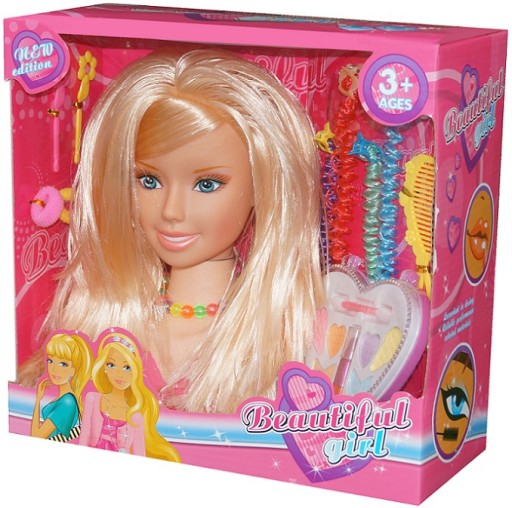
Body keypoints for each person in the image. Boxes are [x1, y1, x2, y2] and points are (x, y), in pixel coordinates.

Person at [20, 48, 326, 413]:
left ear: (263, 186)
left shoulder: (292, 338)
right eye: (149, 180)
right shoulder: (100, 324)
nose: (171, 211)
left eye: (207, 185)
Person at [79, 329, 181, 462]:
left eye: (127, 368)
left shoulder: (136, 415)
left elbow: (139, 453)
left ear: (135, 371)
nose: (119, 374)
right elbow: (83, 439)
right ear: (104, 367)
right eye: (111, 365)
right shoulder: (93, 399)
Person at [31, 332, 92, 440]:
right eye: (50, 361)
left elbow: (36, 437)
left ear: (73, 370)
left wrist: (38, 401)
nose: (54, 369)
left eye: (63, 364)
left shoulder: (67, 402)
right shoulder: (65, 398)